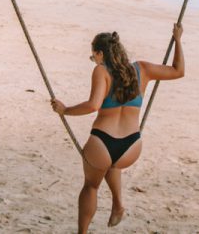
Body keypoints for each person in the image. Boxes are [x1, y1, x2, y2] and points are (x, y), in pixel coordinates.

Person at [50, 23, 184, 232]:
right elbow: (178, 71)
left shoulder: (101, 71)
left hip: (102, 143)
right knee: (113, 165)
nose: (93, 60)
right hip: (132, 147)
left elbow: (93, 105)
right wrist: (177, 40)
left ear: (100, 53)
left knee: (91, 186)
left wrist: (65, 110)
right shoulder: (141, 69)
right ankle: (118, 205)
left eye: (93, 56)